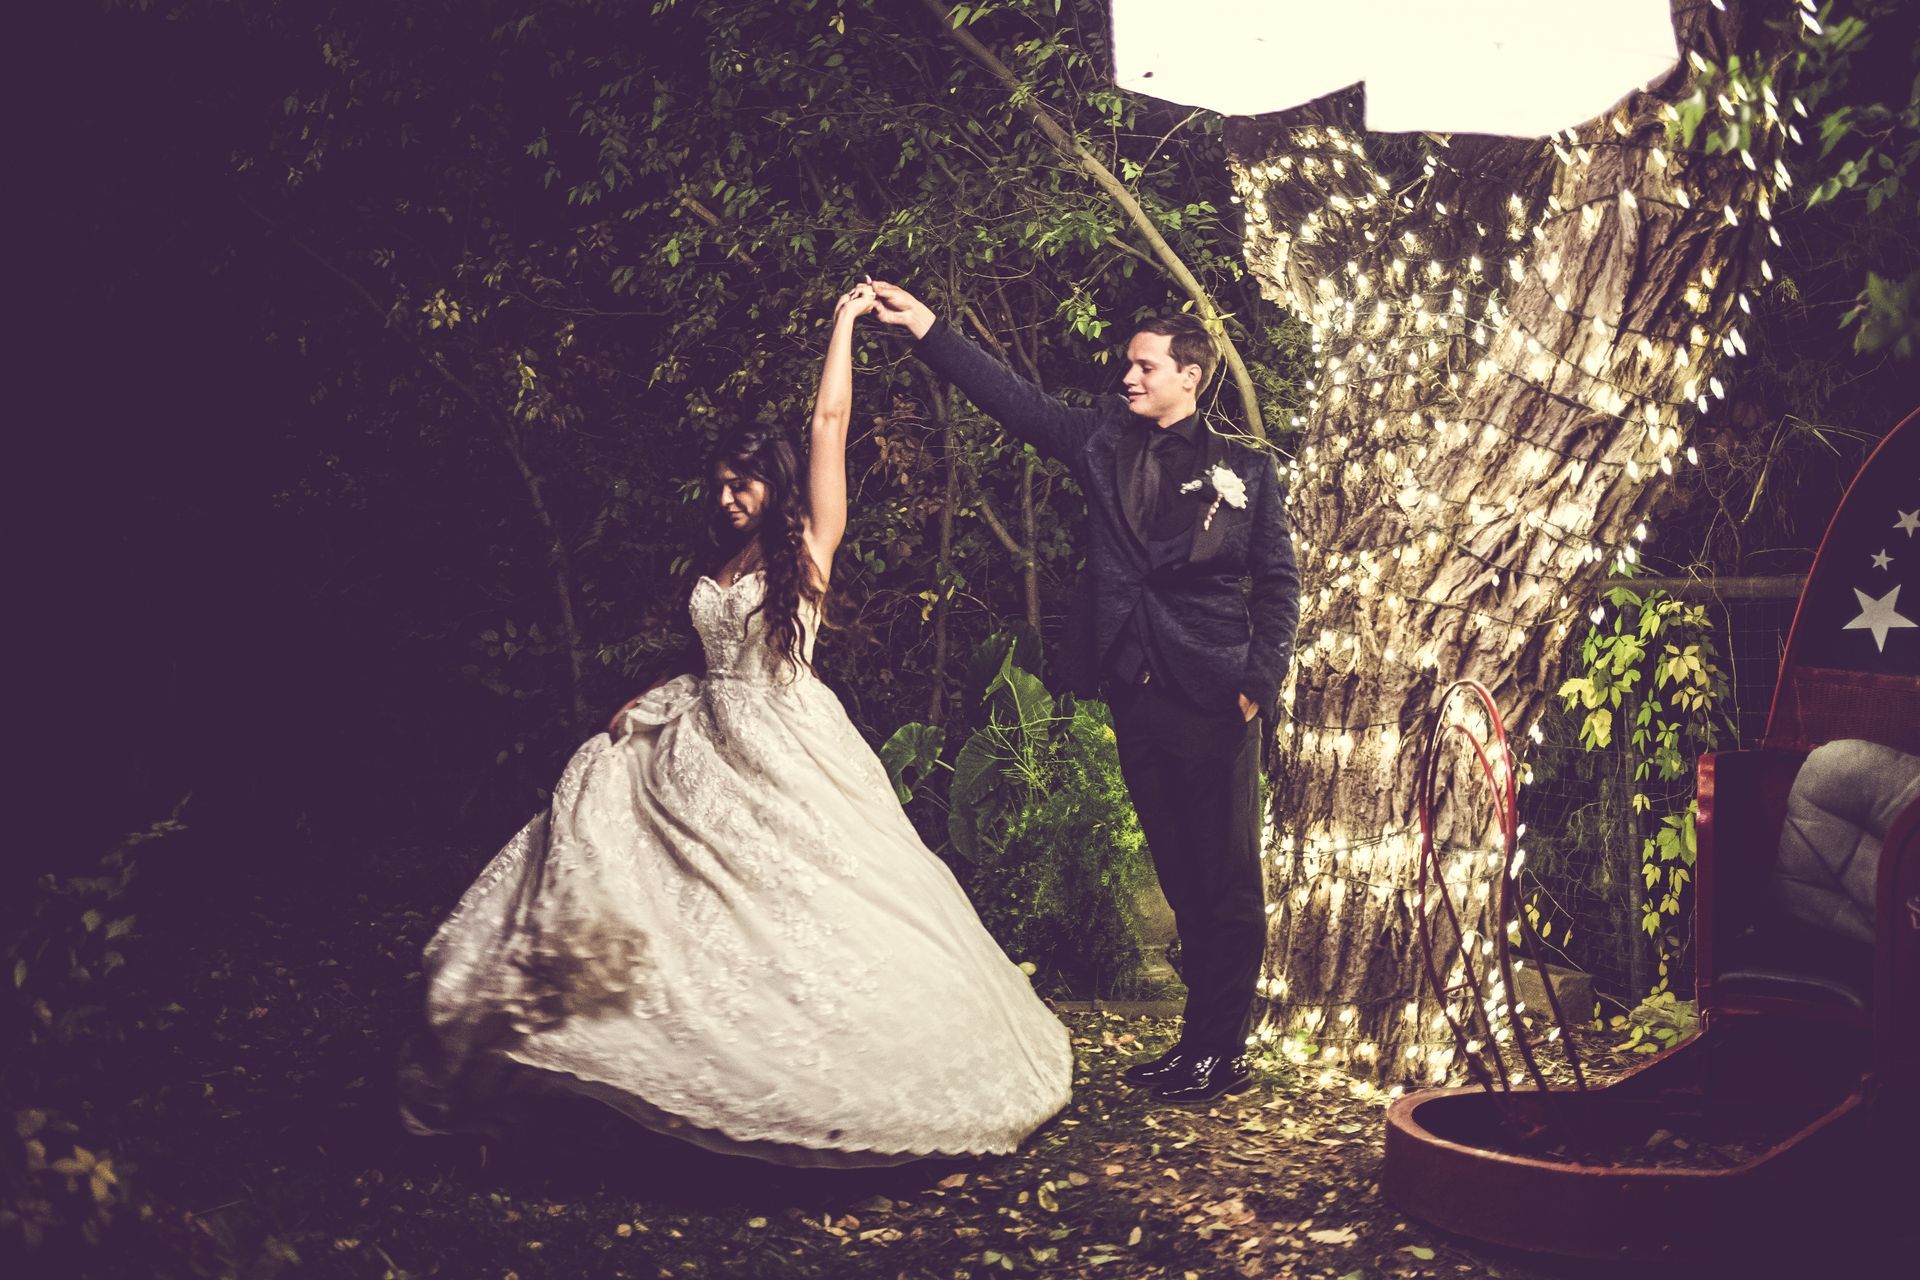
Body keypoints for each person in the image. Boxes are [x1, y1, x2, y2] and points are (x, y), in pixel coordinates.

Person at [399, 283, 1072, 1166]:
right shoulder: (725, 558)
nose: (725, 498)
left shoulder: (808, 544)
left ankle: (809, 1077)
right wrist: (658, 694)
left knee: (806, 906)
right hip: (700, 730)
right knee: (602, 809)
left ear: (774, 483)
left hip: (785, 740)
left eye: (741, 482)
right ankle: (566, 1053)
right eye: (717, 485)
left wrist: (841, 326)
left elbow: (830, 423)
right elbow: (718, 654)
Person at [866, 281, 1298, 1103]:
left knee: (1228, 880)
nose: (1128, 378)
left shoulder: (1244, 470)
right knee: (1178, 875)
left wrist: (1258, 680)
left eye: (1144, 366)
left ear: (1188, 377)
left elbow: (1278, 583)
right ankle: (1193, 1045)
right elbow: (1013, 400)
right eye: (1129, 366)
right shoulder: (1099, 437)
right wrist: (927, 326)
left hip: (1214, 694)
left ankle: (1222, 1049)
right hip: (1135, 692)